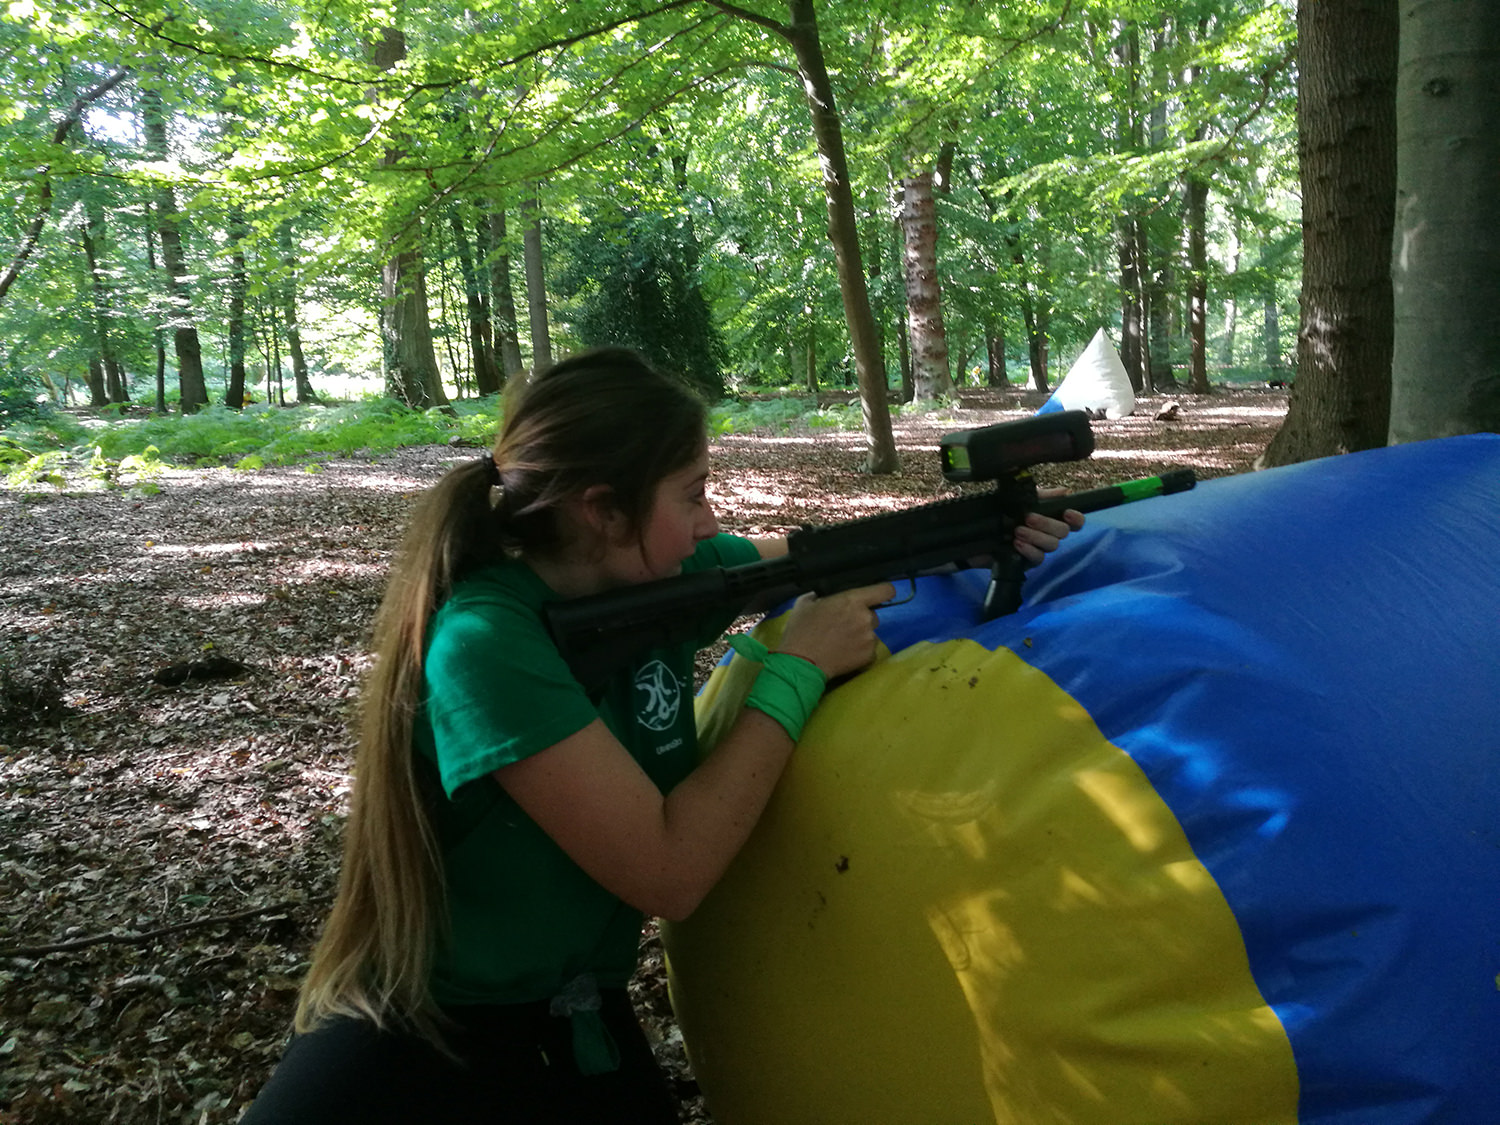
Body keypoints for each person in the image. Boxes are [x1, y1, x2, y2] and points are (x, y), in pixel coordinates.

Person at [240, 348, 1083, 1124]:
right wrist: (793, 671)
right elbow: (669, 870)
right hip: (427, 1037)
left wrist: (978, 539)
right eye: (692, 492)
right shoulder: (484, 644)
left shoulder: (644, 577)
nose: (707, 516)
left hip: (573, 1015)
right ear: (603, 511)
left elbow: (809, 556)